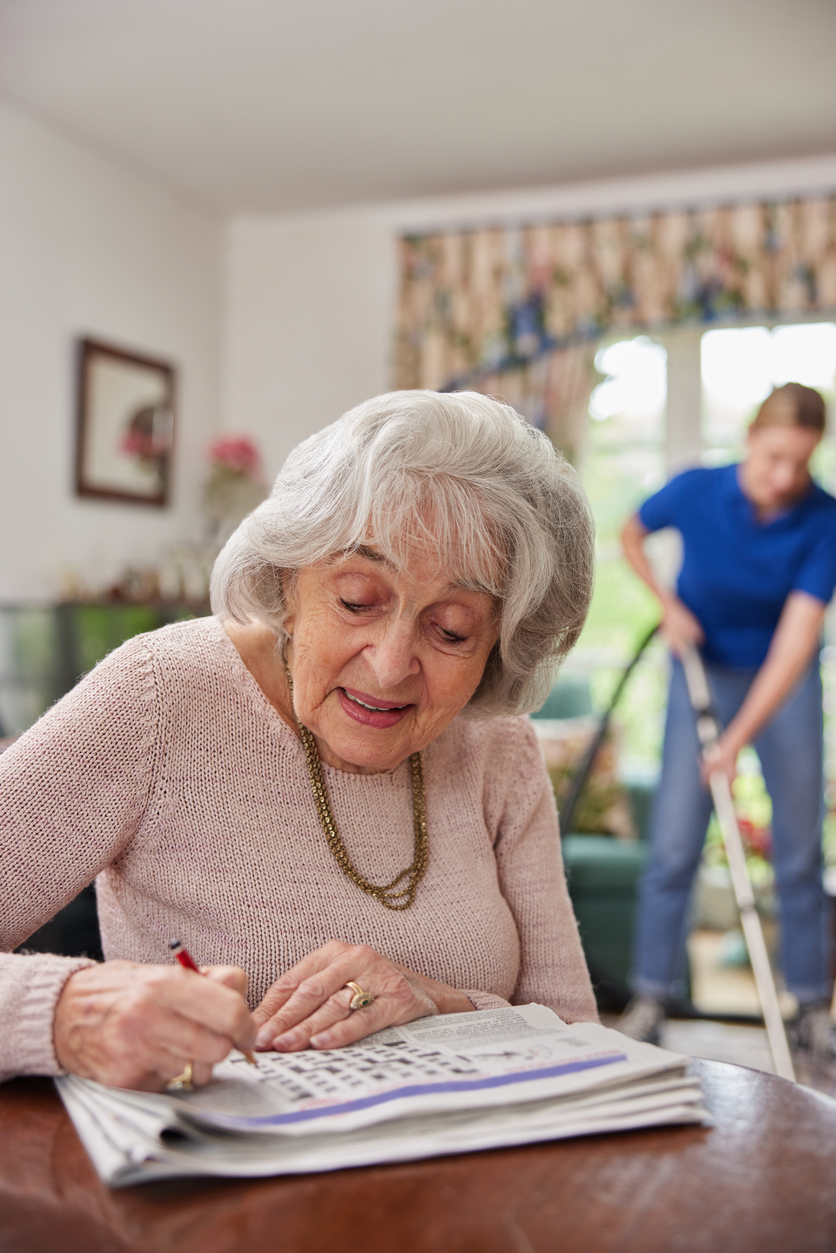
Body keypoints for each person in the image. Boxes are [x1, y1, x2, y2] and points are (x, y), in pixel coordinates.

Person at [0, 389, 598, 1091]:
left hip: (464, 1182)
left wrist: (441, 1001)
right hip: (222, 1183)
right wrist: (70, 1012)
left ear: (499, 643)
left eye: (452, 629)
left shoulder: (499, 746)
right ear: (287, 578)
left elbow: (578, 1034)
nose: (390, 662)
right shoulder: (162, 694)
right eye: (355, 599)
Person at [617, 382, 836, 1054]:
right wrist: (666, 602)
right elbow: (632, 532)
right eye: (773, 457)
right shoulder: (695, 490)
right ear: (749, 438)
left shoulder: (824, 519)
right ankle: (650, 994)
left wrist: (735, 743)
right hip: (701, 671)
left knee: (799, 852)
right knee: (675, 845)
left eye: (800, 462)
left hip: (784, 681)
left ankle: (811, 1006)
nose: (785, 477)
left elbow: (796, 644)